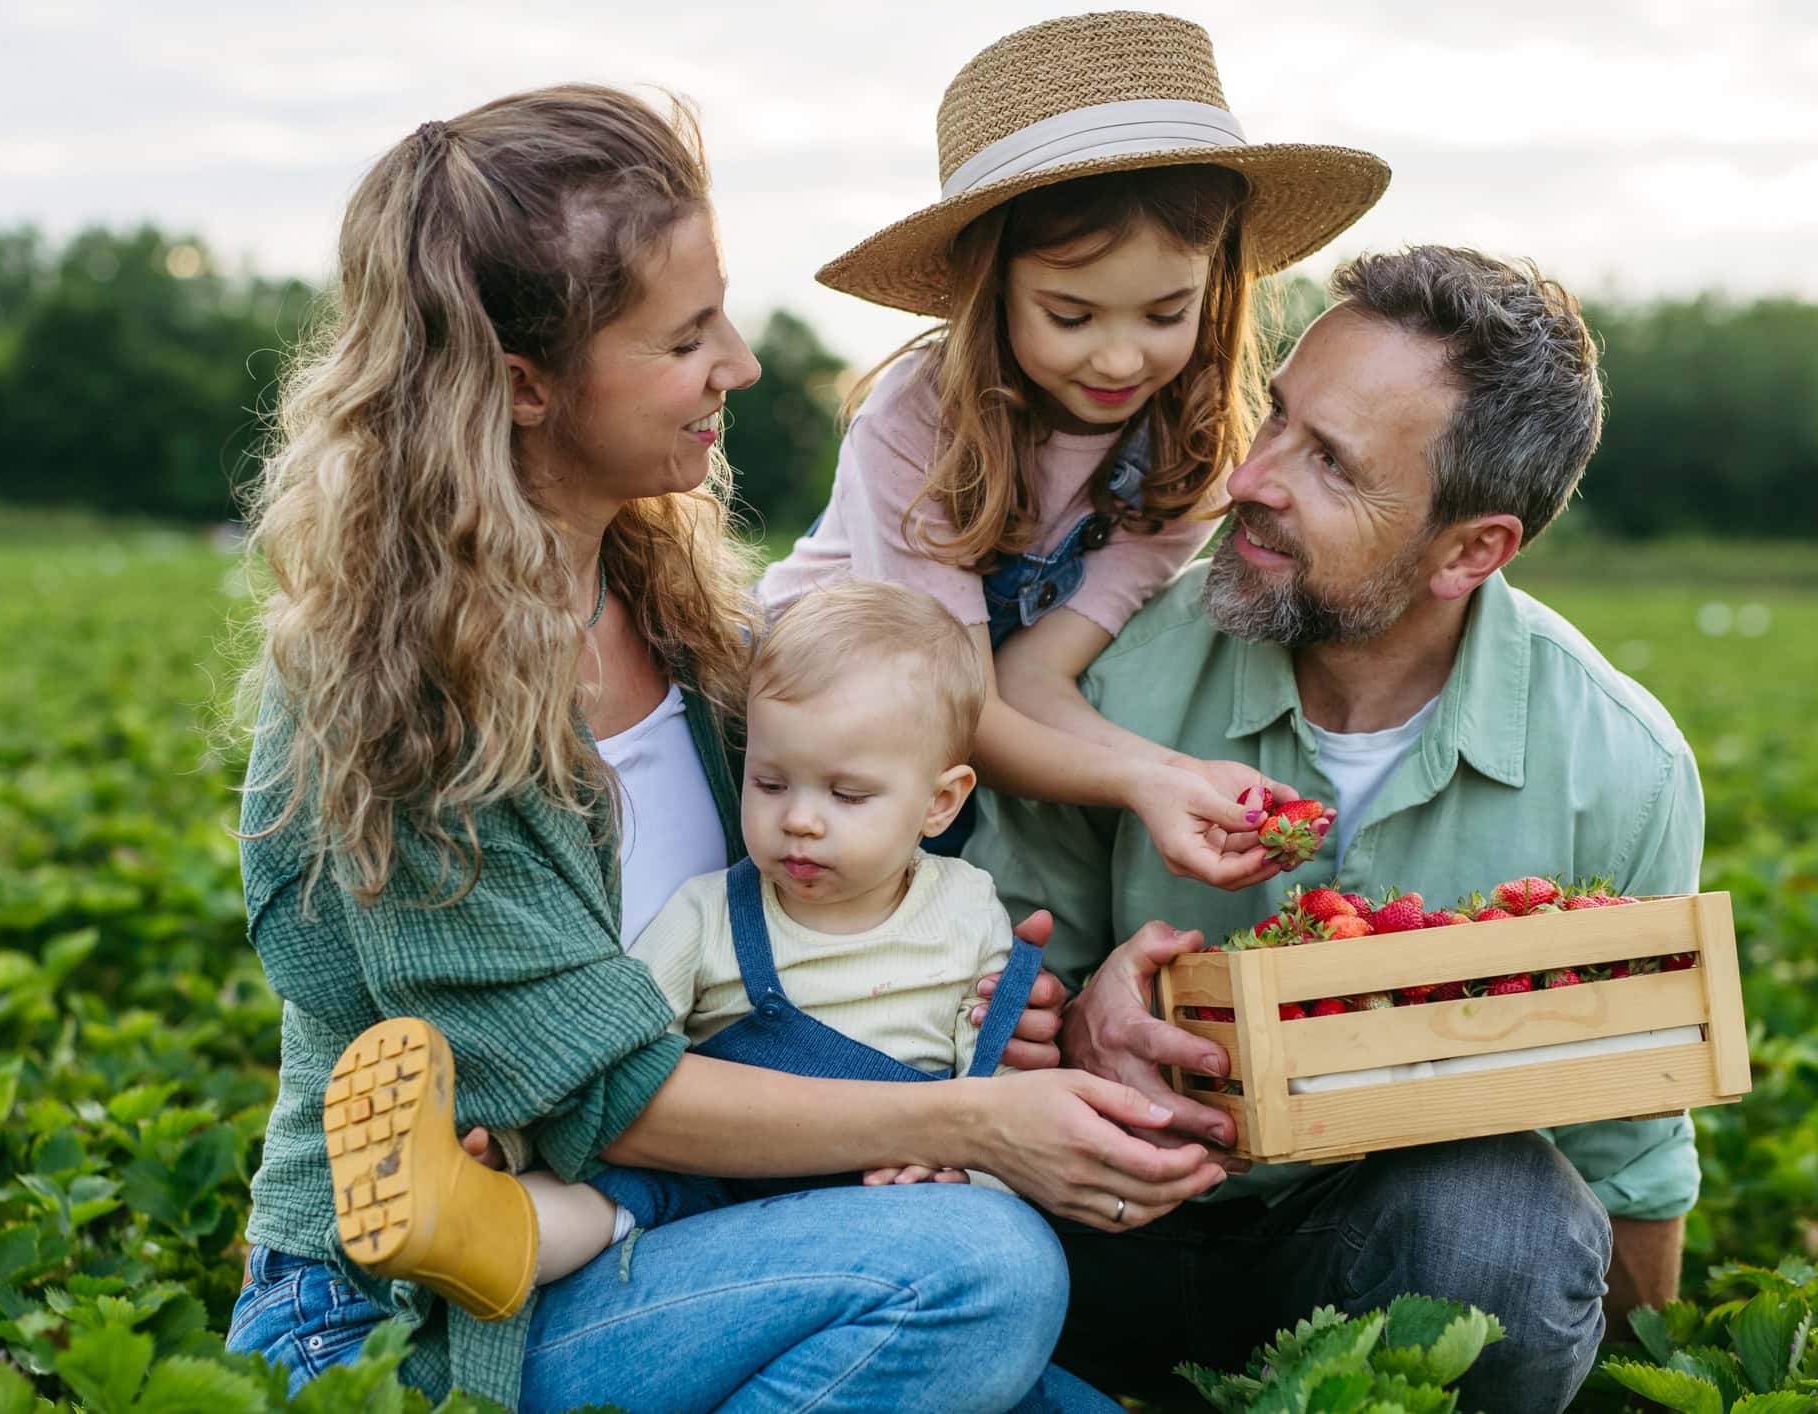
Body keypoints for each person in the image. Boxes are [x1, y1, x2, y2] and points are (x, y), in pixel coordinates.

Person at [223, 85, 1223, 1414]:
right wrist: (970, 1125)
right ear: (527, 387)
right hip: (408, 1317)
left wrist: (1003, 1026)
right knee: (979, 1268)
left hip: (667, 1240)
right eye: (687, 338)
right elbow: (614, 1100)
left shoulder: (684, 617)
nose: (740, 364)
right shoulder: (402, 693)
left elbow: (807, 936)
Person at [967, 245, 1705, 1414]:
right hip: (1098, 1225)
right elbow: (974, 1000)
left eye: (1332, 465)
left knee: (1504, 1223)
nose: (1251, 479)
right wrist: (1071, 1030)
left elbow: (1630, 1138)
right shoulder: (1112, 677)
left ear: (1472, 550)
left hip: (1372, 1259)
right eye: (1276, 420)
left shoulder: (1618, 765)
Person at [761, 11, 1385, 883]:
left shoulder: (1192, 454)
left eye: (1165, 313)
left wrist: (1174, 779)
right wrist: (1141, 780)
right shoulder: (916, 425)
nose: (1122, 357)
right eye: (1071, 315)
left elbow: (1029, 683)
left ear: (1215, 285)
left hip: (948, 774)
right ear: (991, 287)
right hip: (798, 755)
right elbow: (958, 704)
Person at [399, 578, 1053, 1289]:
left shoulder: (966, 908)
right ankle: (466, 1231)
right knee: (604, 1200)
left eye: (846, 795)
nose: (799, 819)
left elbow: (990, 1069)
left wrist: (965, 1173)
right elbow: (610, 1056)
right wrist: (514, 1141)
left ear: (940, 802)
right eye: (770, 784)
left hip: (887, 1186)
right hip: (716, 1179)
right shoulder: (708, 912)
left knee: (985, 1245)